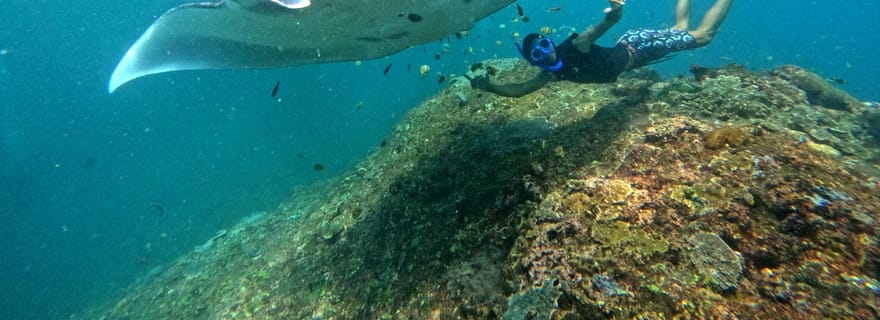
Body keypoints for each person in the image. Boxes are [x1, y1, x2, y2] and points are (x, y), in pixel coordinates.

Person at [481, 0, 733, 97]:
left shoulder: (577, 45)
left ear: (551, 42)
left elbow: (606, 24)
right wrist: (490, 86)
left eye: (545, 45)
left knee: (704, 36)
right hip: (632, 48)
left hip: (639, 48)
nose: (546, 53)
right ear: (533, 60)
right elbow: (521, 89)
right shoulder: (550, 73)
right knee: (680, 28)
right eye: (538, 53)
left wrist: (615, 10)